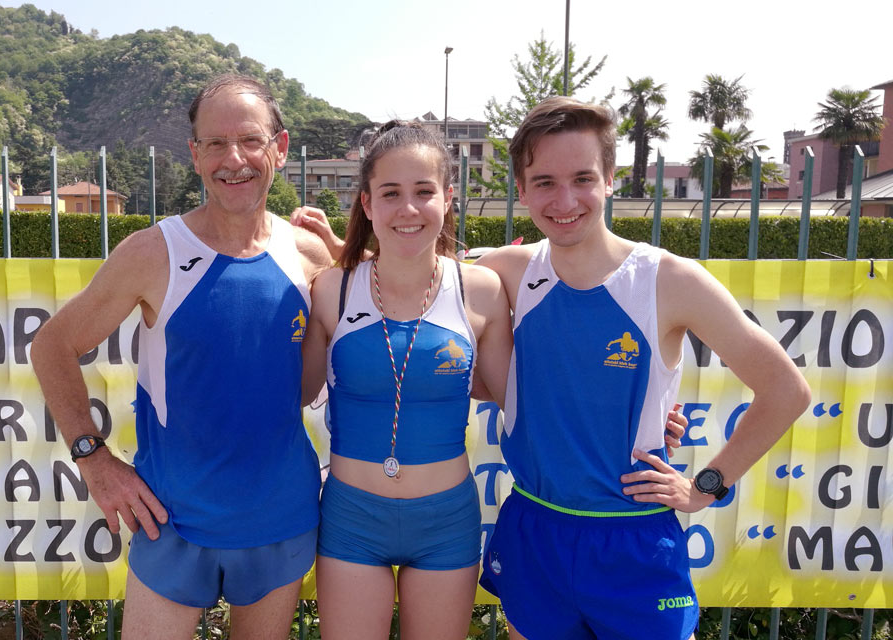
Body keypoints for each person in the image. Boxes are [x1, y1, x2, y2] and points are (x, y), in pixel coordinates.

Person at [474, 97, 812, 640]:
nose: (565, 201)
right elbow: (412, 283)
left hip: (634, 539)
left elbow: (786, 390)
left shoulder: (669, 280)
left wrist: (706, 485)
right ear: (522, 189)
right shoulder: (505, 271)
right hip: (536, 526)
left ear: (610, 179)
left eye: (583, 179)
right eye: (544, 182)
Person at [31, 74, 334, 640]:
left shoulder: (310, 254)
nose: (234, 159)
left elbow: (390, 302)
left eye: (250, 140)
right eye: (215, 143)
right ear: (195, 155)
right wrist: (93, 458)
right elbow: (52, 345)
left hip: (280, 516)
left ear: (280, 148)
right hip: (170, 519)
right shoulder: (154, 252)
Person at [299, 121, 515, 640]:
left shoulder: (481, 290)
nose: (409, 209)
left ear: (448, 197)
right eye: (391, 193)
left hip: (446, 522)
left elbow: (524, 401)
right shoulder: (331, 290)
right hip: (352, 518)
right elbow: (295, 394)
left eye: (424, 191)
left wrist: (639, 418)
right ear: (367, 202)